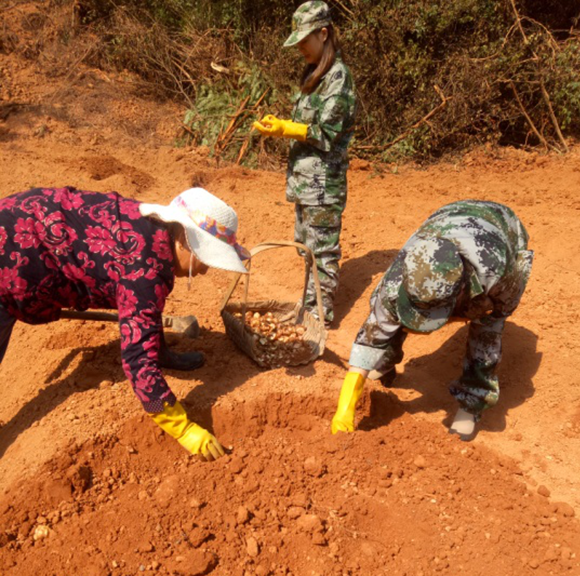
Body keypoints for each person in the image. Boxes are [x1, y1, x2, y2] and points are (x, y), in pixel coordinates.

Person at [0, 186, 250, 460]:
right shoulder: (143, 272)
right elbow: (137, 360)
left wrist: (158, 351)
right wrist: (182, 428)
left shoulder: (153, 229)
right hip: (12, 252)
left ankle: (162, 352)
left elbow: (144, 310)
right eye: (206, 259)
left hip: (24, 218)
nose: (204, 270)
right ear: (184, 240)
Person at [330, 200, 534, 441]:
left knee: (485, 328)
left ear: (459, 293)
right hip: (445, 219)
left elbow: (496, 320)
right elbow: (373, 333)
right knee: (390, 313)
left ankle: (471, 403)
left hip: (499, 226)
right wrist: (347, 403)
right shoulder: (398, 279)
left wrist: (479, 311)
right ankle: (385, 362)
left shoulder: (497, 273)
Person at [253, 0, 356, 326]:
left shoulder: (338, 77)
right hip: (304, 181)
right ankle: (309, 310)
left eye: (304, 40)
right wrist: (283, 126)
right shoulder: (314, 73)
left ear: (323, 33)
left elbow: (327, 133)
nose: (300, 48)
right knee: (307, 250)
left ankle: (318, 321)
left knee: (322, 254)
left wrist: (288, 128)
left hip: (324, 184)